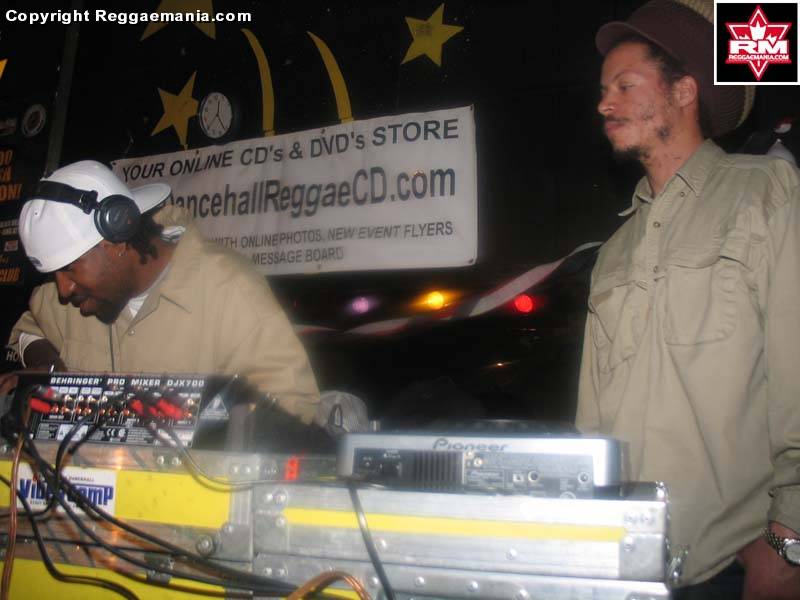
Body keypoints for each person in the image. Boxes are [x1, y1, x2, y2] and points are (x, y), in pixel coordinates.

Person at [577, 1, 800, 598]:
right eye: (603, 91)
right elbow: (592, 424)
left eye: (625, 86)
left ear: (683, 91)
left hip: (734, 569)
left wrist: (789, 542)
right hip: (622, 566)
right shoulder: (614, 251)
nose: (604, 105)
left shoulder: (767, 192)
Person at [0, 160, 320, 425]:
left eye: (70, 268)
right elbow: (28, 332)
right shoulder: (66, 299)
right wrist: (46, 370)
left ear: (116, 240)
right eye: (54, 274)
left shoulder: (230, 290)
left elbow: (296, 413)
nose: (63, 288)